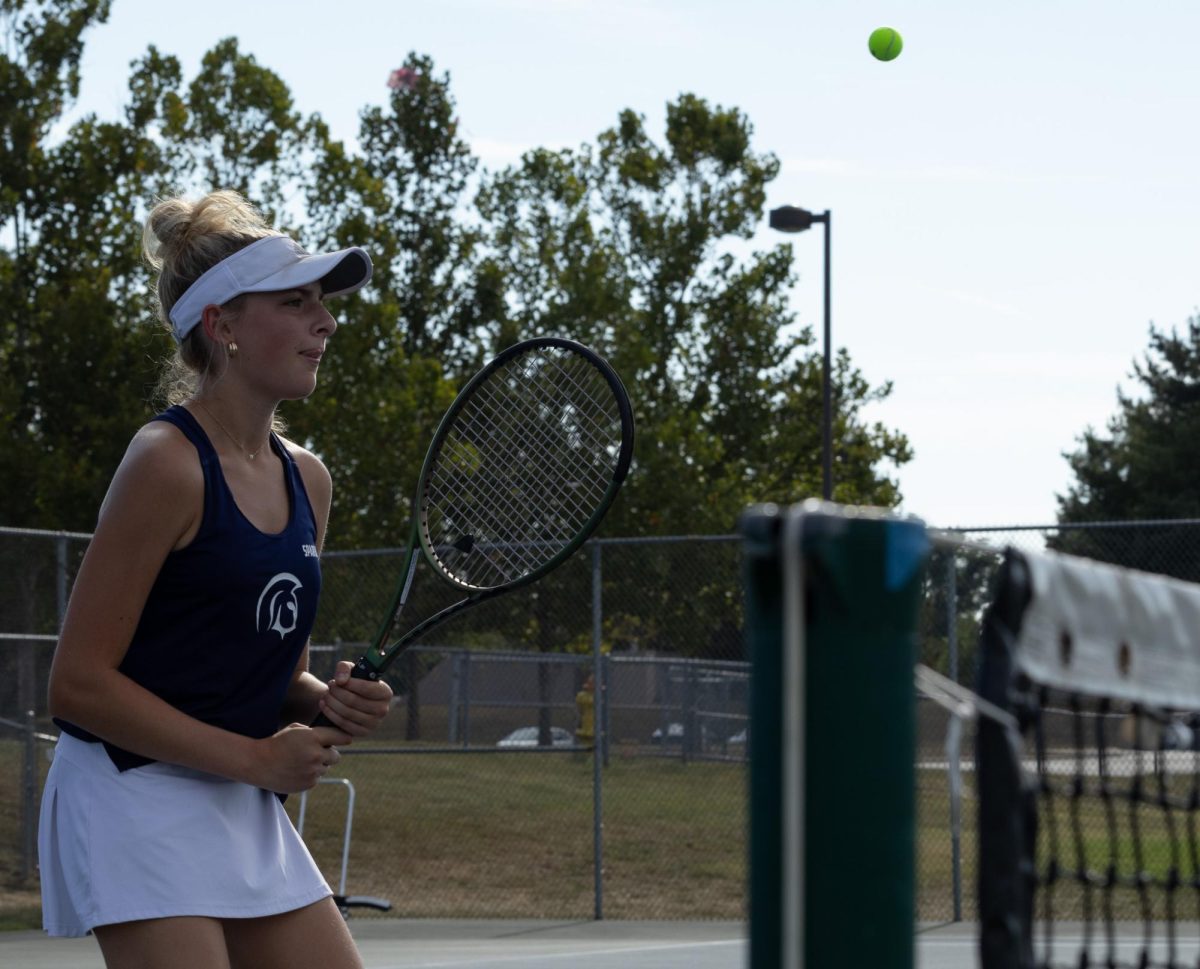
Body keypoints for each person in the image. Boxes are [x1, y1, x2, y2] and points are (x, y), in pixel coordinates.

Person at [38, 190, 394, 969]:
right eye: (295, 301)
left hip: (235, 790)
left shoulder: (310, 479)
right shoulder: (166, 462)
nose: (325, 321)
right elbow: (77, 684)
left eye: (322, 303)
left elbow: (278, 674)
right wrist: (258, 760)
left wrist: (328, 700)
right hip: (131, 791)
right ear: (222, 324)